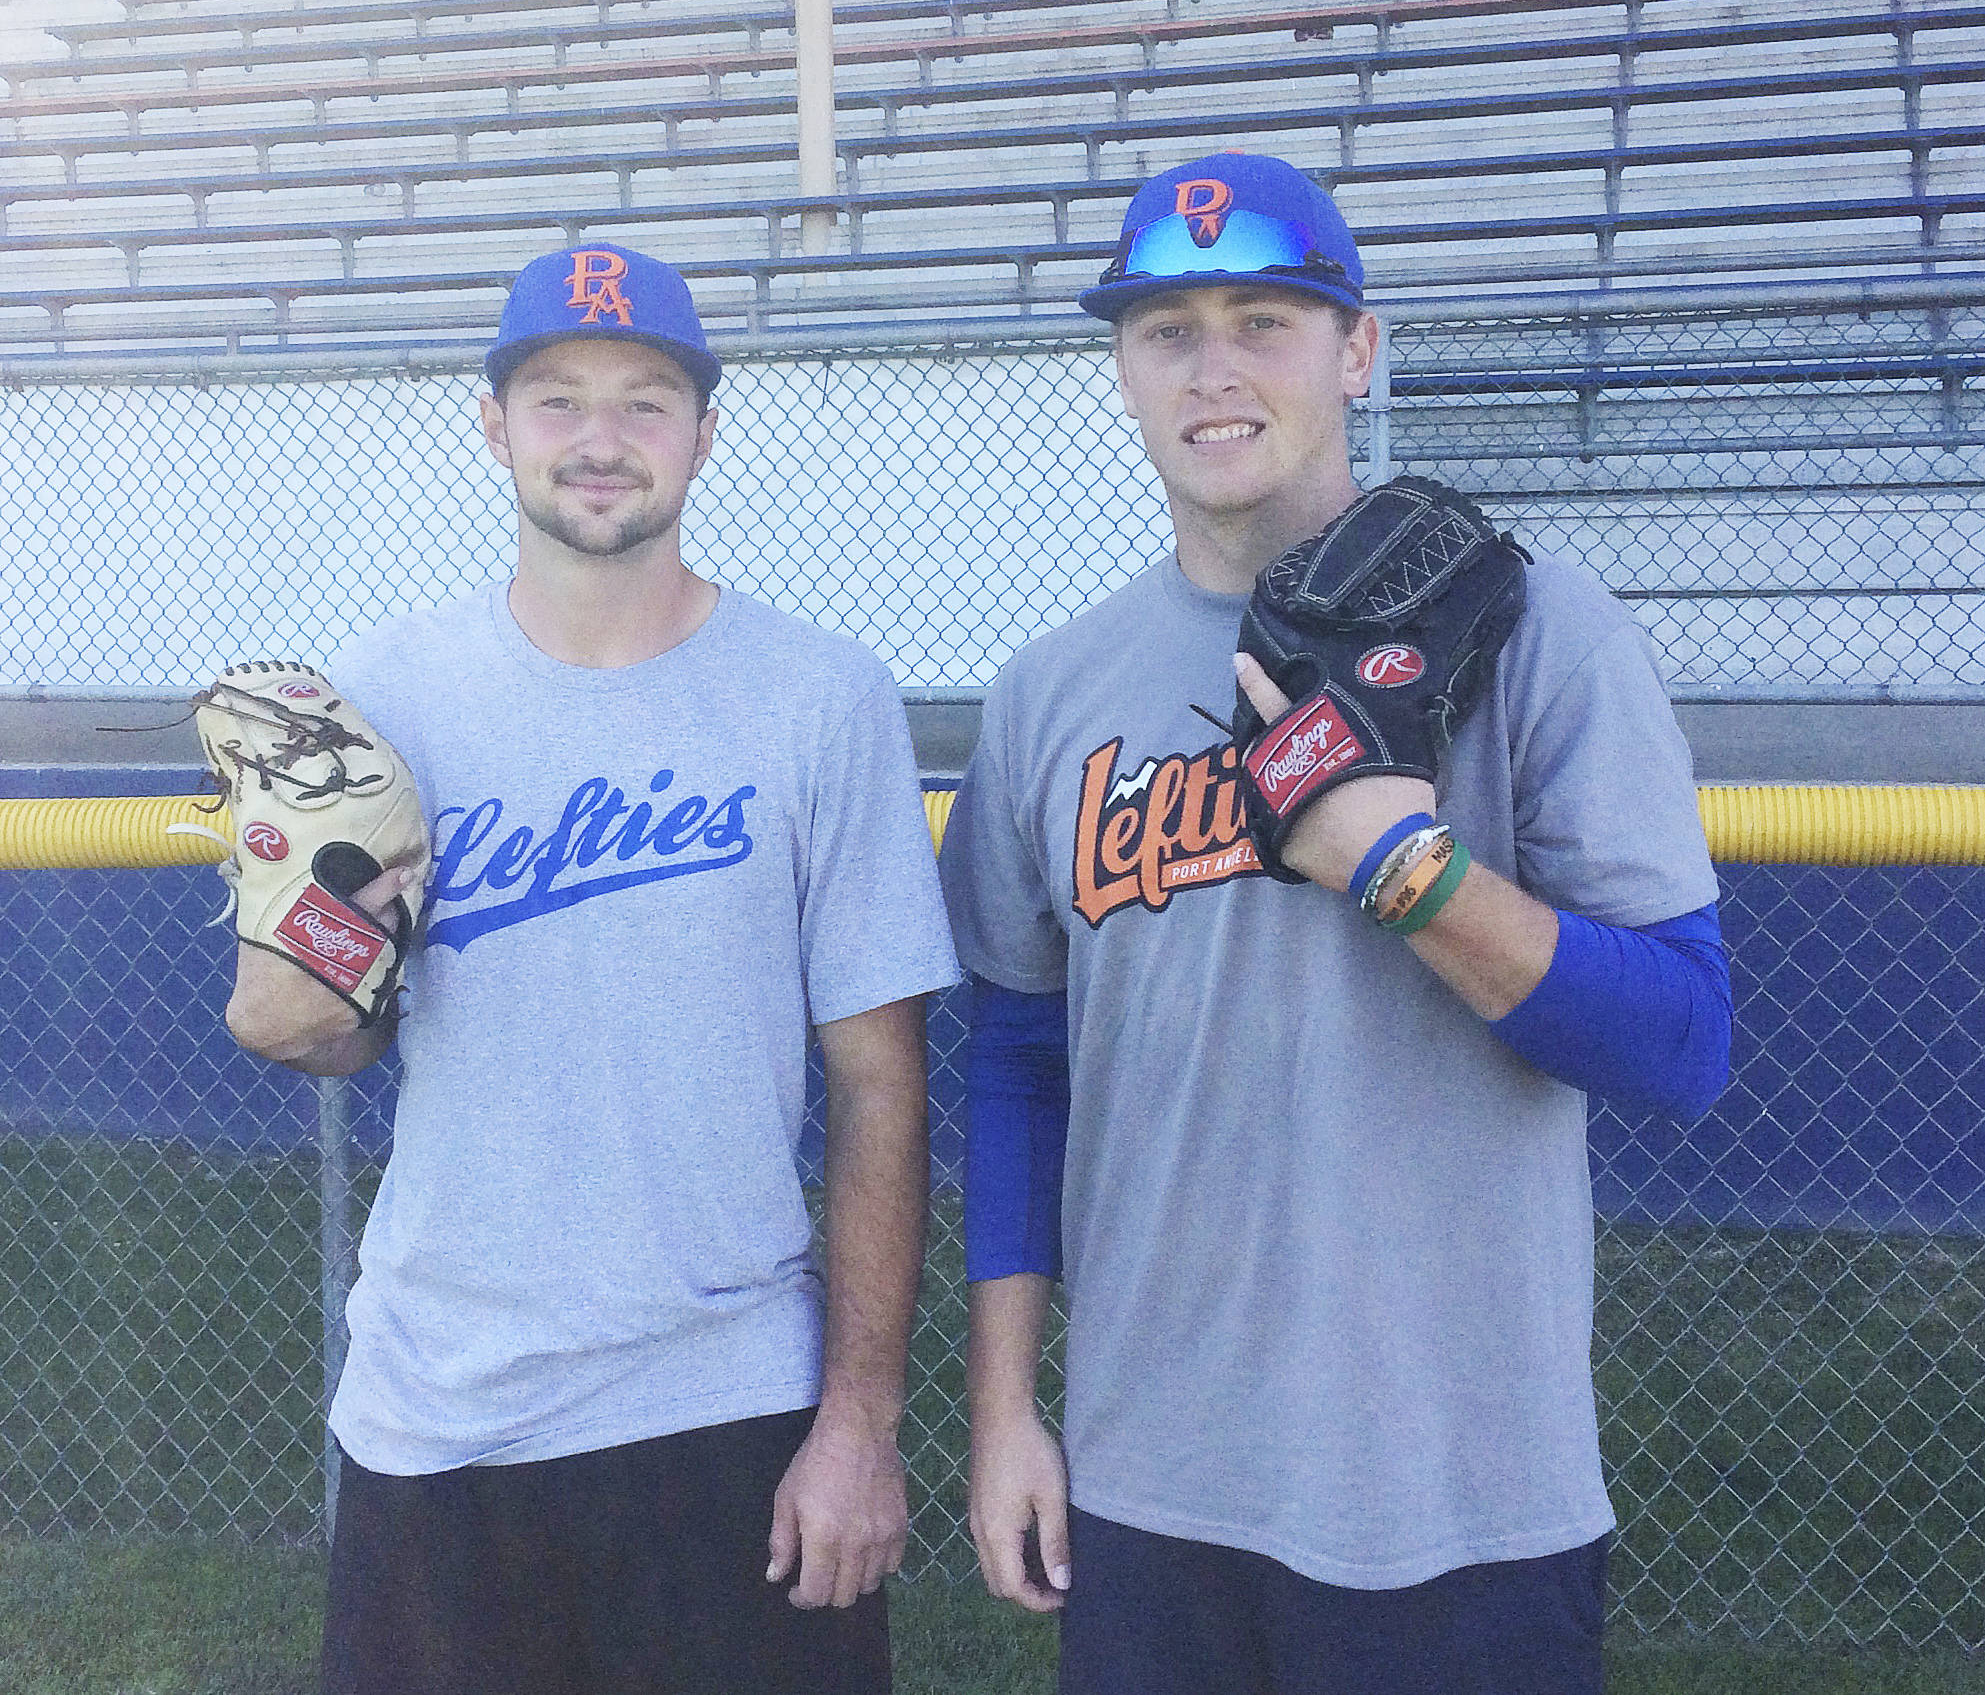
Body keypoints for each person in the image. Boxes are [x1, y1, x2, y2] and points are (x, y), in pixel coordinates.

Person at [941, 153, 1731, 1695]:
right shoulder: (1047, 691)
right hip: (1148, 1477)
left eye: (1265, 320)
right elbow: (1017, 1065)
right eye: (1167, 330)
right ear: (1120, 369)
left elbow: (1682, 1043)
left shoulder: (1541, 629)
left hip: (1455, 1493)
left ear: (1355, 349)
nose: (1214, 367)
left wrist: (1409, 874)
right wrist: (1001, 1412)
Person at [225, 242, 960, 1695]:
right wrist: (293, 1006)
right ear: (494, 426)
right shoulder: (381, 698)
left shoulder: (822, 697)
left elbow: (880, 1088)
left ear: (703, 431)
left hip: (729, 1401)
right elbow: (330, 1032)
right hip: (442, 1408)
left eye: (645, 399)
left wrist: (859, 1423)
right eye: (557, 400)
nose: (602, 440)